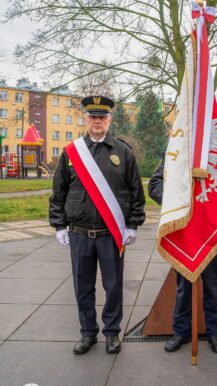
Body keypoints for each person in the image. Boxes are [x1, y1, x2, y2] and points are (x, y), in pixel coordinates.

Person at [49, 95, 145, 355]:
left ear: (109, 120)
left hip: (110, 234)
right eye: (93, 117)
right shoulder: (72, 153)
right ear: (85, 119)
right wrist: (59, 225)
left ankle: (112, 333)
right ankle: (88, 332)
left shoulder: (123, 152)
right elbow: (58, 193)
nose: (97, 121)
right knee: (83, 286)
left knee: (113, 286)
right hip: (79, 234)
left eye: (102, 117)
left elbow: (136, 193)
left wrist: (133, 225)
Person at [148, 158, 217, 354]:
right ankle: (181, 331)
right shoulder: (175, 151)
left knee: (212, 287)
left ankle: (215, 332)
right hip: (184, 232)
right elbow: (155, 185)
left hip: (210, 231)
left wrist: (209, 203)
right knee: (184, 287)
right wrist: (180, 199)